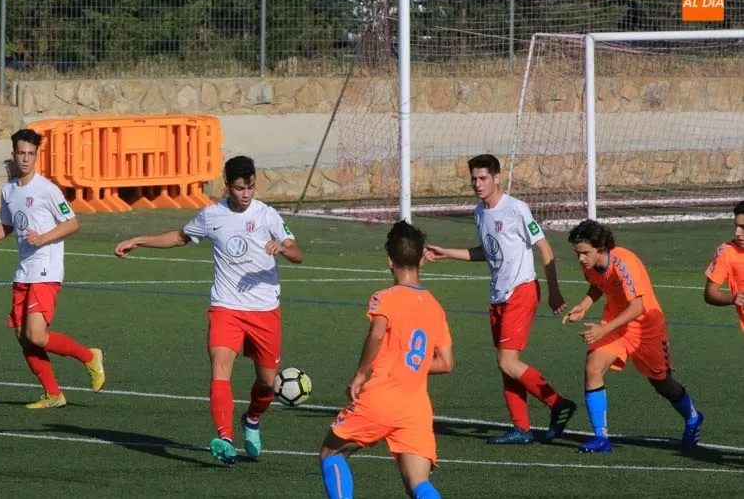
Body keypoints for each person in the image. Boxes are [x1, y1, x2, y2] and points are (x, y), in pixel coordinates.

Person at [114, 155, 303, 465]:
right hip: (226, 307)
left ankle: (252, 419)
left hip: (265, 310)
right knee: (220, 365)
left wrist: (283, 248)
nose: (246, 194)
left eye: (251, 187)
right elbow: (179, 237)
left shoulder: (267, 215)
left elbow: (297, 253)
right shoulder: (212, 215)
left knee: (267, 383)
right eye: (240, 188)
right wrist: (139, 239)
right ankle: (225, 438)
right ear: (227, 186)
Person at [425, 154, 575, 444]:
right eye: (473, 179)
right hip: (498, 295)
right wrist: (447, 252)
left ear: (496, 178)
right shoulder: (479, 212)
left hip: (521, 290)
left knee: (507, 362)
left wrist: (554, 290)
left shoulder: (516, 209)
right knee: (506, 363)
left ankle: (558, 403)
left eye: (482, 178)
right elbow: (485, 251)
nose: (477, 184)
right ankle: (521, 428)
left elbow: (544, 248)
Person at [0, 128, 105, 409]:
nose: (26, 158)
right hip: (23, 271)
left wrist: (42, 238)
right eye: (21, 153)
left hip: (46, 269)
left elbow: (72, 223)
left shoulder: (47, 189)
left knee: (36, 335)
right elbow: (7, 225)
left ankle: (89, 357)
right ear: (14, 155)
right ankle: (53, 394)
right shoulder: (8, 191)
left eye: (31, 153)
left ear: (37, 155)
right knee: (23, 337)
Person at [319, 220, 452, 499]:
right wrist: (410, 366)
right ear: (421, 262)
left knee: (331, 453)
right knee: (418, 483)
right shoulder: (435, 307)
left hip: (381, 397)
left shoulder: (385, 298)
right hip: (416, 407)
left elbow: (377, 334)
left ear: (390, 261)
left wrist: (360, 373)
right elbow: (446, 362)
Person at [563, 219, 703, 453]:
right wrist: (584, 306)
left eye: (585, 253)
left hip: (646, 328)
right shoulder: (589, 264)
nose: (581, 259)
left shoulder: (623, 262)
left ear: (601, 248)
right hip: (616, 324)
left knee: (662, 384)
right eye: (578, 253)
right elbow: (599, 285)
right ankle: (601, 438)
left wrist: (602, 330)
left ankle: (692, 417)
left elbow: (637, 307)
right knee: (593, 366)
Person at [703, 201, 744, 329]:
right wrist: (732, 298)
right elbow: (710, 294)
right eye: (736, 226)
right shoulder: (726, 252)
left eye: (743, 227)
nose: (737, 233)